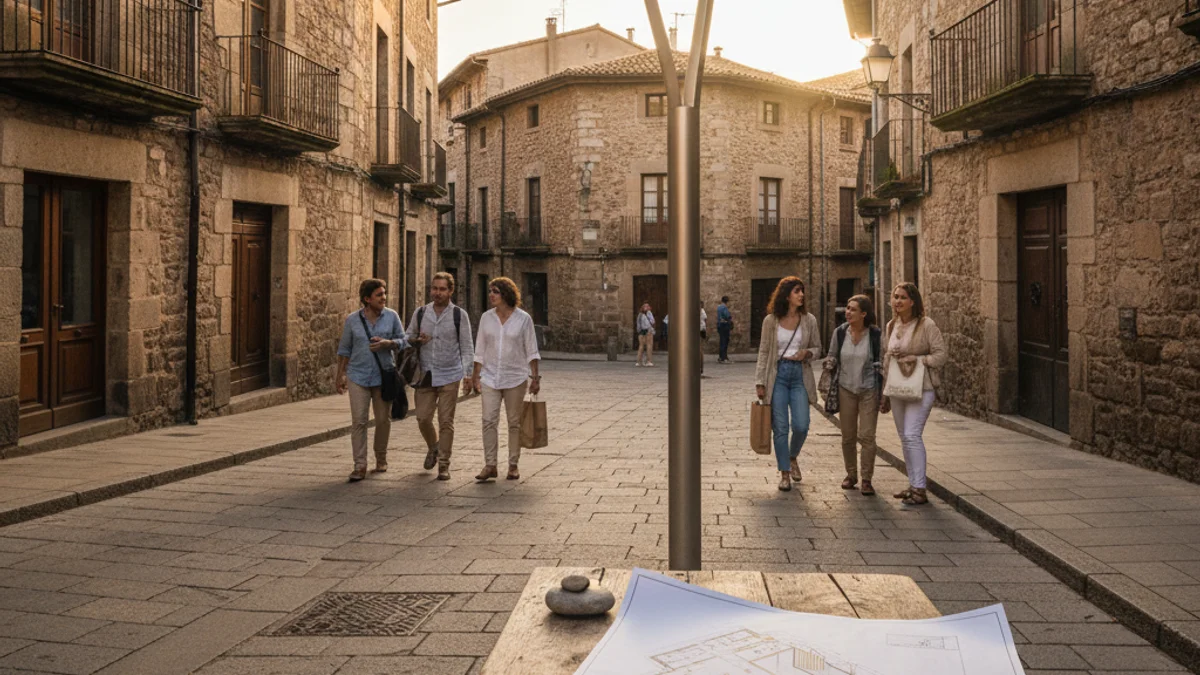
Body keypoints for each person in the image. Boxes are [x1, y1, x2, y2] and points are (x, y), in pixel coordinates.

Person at [336, 279, 408, 482]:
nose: (383, 298)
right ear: (367, 299)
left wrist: (389, 343)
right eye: (379, 295)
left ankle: (381, 457)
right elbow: (344, 350)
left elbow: (404, 341)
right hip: (357, 376)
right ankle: (359, 465)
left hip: (383, 376)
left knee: (383, 420)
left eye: (384, 294)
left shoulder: (392, 316)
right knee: (359, 421)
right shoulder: (352, 320)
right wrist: (340, 375)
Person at [881, 282, 946, 506]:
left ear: (913, 302)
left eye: (902, 297)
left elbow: (941, 355)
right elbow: (887, 358)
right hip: (898, 388)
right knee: (904, 438)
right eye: (895, 296)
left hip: (922, 387)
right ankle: (913, 484)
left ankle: (920, 489)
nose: (897, 301)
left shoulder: (927, 325)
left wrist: (917, 359)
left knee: (912, 435)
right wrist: (885, 394)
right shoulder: (891, 326)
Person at [754, 277, 822, 491]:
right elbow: (764, 351)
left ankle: (792, 457)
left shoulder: (809, 319)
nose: (801, 295)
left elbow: (818, 347)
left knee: (802, 425)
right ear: (786, 295)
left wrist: (807, 352)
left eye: (802, 291)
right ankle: (784, 472)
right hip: (778, 375)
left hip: (800, 374)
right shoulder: (770, 321)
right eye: (796, 291)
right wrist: (760, 380)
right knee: (780, 427)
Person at [472, 277, 541, 482]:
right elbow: (480, 349)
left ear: (506, 294)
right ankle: (490, 465)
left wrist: (535, 378)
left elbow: (532, 350)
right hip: (490, 377)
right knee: (488, 421)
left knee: (514, 423)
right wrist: (475, 376)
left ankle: (513, 465)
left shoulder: (523, 319)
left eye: (495, 291)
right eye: (490, 291)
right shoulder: (486, 318)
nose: (491, 295)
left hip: (515, 377)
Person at [408, 272, 475, 481]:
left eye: (442, 289)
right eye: (434, 288)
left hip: (450, 374)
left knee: (446, 421)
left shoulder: (459, 315)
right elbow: (407, 335)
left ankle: (444, 464)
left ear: (450, 291)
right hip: (425, 374)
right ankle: (433, 447)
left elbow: (466, 346)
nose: (437, 293)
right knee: (422, 418)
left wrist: (468, 374)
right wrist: (417, 339)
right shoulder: (420, 313)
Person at [824, 295, 883, 496]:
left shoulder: (875, 335)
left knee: (867, 436)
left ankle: (866, 479)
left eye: (853, 309)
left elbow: (881, 362)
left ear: (864, 314)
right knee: (848, 435)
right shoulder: (840, 333)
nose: (847, 312)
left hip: (869, 390)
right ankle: (851, 475)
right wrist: (829, 363)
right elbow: (832, 355)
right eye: (847, 308)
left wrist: (884, 394)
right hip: (845, 388)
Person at [636, 302, 656, 367]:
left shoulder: (639, 315)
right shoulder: (649, 313)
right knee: (649, 345)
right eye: (646, 306)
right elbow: (652, 322)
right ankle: (648, 361)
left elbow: (638, 325)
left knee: (641, 346)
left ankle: (639, 362)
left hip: (641, 332)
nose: (647, 307)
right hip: (648, 331)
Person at [717, 296, 733, 363]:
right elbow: (727, 316)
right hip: (725, 326)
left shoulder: (719, 307)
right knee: (725, 341)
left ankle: (721, 357)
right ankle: (724, 358)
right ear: (727, 301)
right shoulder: (724, 307)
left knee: (721, 341)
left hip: (720, 325)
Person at [699, 301, 708, 376]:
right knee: (700, 349)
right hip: (702, 330)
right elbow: (705, 320)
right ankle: (700, 367)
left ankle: (699, 367)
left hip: (698, 331)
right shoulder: (703, 311)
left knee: (699, 350)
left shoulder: (700, 311)